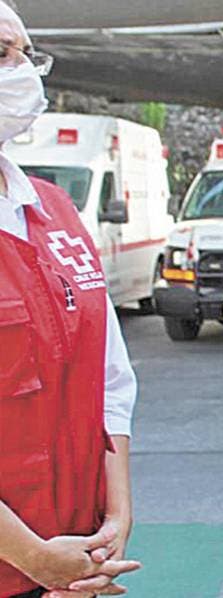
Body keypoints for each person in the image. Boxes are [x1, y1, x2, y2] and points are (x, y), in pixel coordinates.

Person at [0, 2, 142, 596]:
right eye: (0, 53)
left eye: (26, 55)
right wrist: (33, 557)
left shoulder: (51, 208)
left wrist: (115, 515)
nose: (21, 71)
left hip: (76, 554)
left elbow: (109, 376)